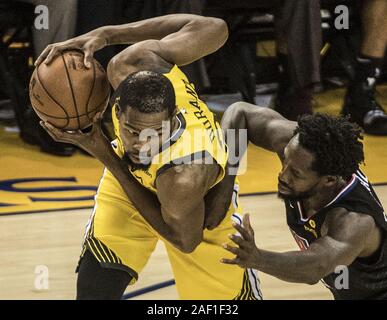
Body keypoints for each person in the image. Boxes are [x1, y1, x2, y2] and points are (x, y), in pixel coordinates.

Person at [36, 14, 262, 300]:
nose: (142, 144)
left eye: (155, 133)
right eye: (131, 130)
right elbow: (214, 27)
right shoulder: (132, 63)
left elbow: (185, 240)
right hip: (129, 178)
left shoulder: (185, 175)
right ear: (116, 110)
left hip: (194, 215)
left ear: (174, 117)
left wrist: (104, 152)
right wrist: (106, 33)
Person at [217, 102, 387, 299]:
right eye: (285, 159)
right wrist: (226, 181)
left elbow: (316, 266)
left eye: (296, 174)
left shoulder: (353, 221)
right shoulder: (302, 148)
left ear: (329, 180)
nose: (283, 175)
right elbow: (241, 113)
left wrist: (257, 258)